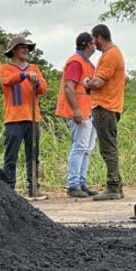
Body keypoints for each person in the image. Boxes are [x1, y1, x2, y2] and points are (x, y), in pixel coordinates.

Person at [0, 36, 48, 196]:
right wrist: (24, 76)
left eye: (27, 47)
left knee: (33, 154)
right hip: (13, 118)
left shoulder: (34, 68)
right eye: (22, 47)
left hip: (33, 117)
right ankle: (9, 188)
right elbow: (7, 80)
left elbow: (43, 88)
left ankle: (33, 187)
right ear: (14, 50)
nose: (26, 50)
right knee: (11, 155)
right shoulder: (5, 68)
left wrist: (36, 82)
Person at [85, 24, 126, 201]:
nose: (93, 43)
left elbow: (98, 83)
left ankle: (113, 186)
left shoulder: (110, 55)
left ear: (100, 37)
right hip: (107, 106)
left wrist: (87, 82)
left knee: (108, 148)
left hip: (105, 107)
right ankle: (116, 185)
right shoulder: (110, 54)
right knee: (108, 146)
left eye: (93, 39)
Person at [55, 32, 98, 198]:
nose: (95, 46)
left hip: (88, 111)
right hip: (79, 111)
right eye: (93, 43)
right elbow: (69, 87)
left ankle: (81, 182)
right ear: (87, 45)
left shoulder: (87, 64)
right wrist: (76, 110)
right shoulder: (75, 62)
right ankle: (73, 184)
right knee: (80, 147)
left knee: (87, 148)